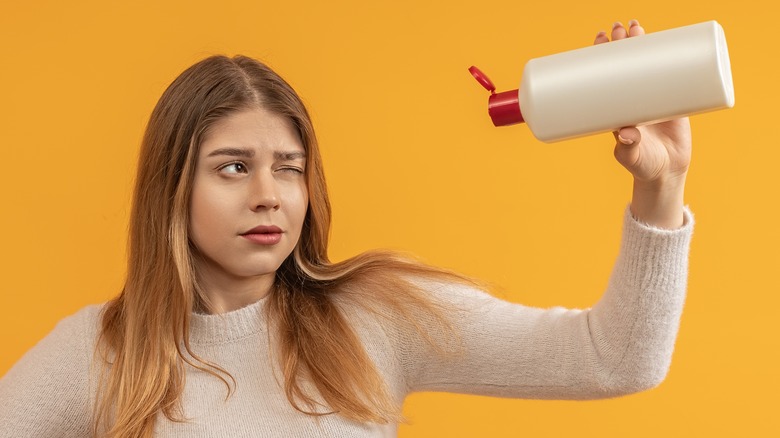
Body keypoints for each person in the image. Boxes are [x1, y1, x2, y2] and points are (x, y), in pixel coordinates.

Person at [0, 19, 694, 437]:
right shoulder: (101, 351)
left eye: (289, 167)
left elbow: (616, 359)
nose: (269, 195)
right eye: (234, 168)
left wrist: (659, 185)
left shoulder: (373, 318)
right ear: (170, 188)